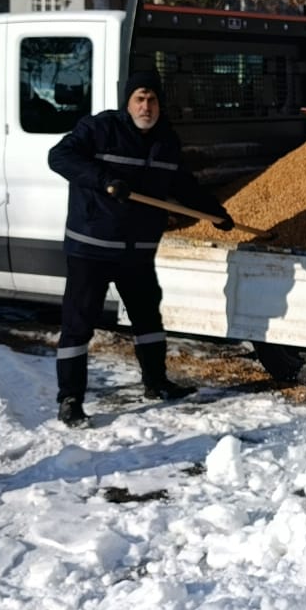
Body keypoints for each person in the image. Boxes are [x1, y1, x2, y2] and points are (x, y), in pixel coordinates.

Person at [49, 69, 232, 427]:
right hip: (92, 248)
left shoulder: (166, 142)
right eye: (140, 99)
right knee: (78, 324)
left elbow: (182, 185)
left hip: (137, 251)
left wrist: (215, 213)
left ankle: (156, 382)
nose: (146, 106)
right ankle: (70, 399)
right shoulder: (100, 129)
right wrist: (105, 180)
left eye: (152, 100)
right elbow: (60, 157)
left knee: (148, 319)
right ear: (128, 102)